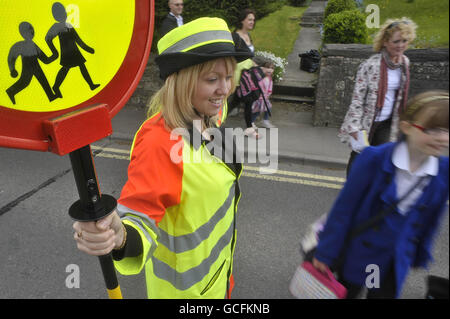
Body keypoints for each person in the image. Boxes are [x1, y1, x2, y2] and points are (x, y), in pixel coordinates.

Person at [72, 17, 253, 299]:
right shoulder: (160, 143)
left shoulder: (210, 112)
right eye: (212, 79)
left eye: (229, 76)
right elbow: (138, 217)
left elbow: (222, 101)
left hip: (219, 281)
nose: (224, 89)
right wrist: (119, 237)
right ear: (182, 82)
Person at [312, 91, 449, 299]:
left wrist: (421, 252)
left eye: (447, 130)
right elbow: (344, 209)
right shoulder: (374, 159)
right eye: (433, 129)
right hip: (364, 253)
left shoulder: (443, 168)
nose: (443, 138)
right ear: (406, 127)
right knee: (348, 292)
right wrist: (325, 252)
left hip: (396, 257)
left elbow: (432, 216)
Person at [339, 18, 417, 176]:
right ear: (385, 42)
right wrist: (354, 127)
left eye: (404, 41)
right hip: (366, 122)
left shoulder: (404, 63)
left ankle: (372, 192)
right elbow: (357, 99)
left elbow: (400, 96)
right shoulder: (370, 65)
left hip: (389, 122)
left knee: (384, 159)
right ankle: (352, 189)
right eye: (396, 41)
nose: (401, 45)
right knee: (359, 158)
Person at [229, 9, 261, 138]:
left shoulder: (248, 36)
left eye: (253, 20)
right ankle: (249, 126)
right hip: (238, 74)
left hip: (248, 75)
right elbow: (231, 57)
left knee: (243, 100)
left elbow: (249, 56)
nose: (252, 22)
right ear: (242, 20)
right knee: (238, 100)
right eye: (249, 19)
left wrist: (255, 65)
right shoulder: (235, 36)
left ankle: (249, 125)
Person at [251, 59, 275, 129]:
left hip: (265, 98)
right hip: (258, 98)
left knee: (268, 108)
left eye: (272, 68)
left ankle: (265, 121)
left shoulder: (270, 78)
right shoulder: (260, 78)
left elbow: (270, 87)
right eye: (268, 67)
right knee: (257, 111)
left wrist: (269, 94)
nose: (270, 70)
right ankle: (251, 122)